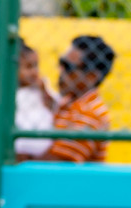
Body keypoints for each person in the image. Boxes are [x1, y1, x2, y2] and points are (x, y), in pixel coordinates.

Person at [31, 35, 115, 164]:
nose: (61, 71)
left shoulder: (90, 113)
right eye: (61, 63)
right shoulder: (67, 103)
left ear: (91, 76)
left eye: (68, 66)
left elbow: (57, 162)